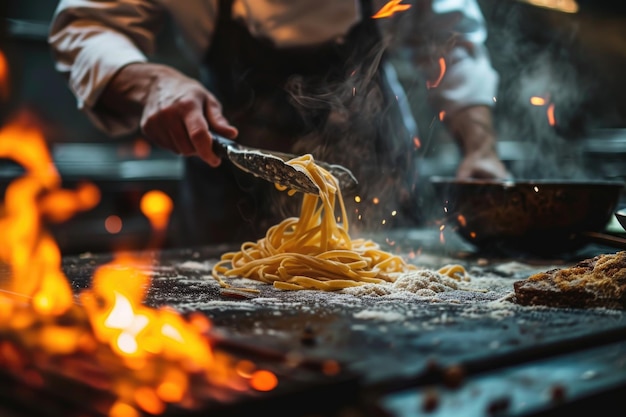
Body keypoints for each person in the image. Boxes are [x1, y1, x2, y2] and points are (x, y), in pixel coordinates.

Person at [48, 0, 510, 247]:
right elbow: (86, 25)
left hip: (380, 166)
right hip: (227, 178)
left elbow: (449, 38)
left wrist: (481, 149)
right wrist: (149, 83)